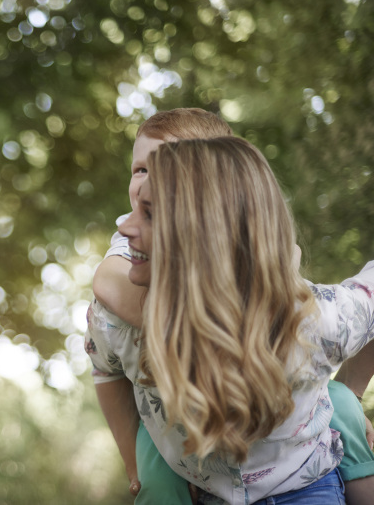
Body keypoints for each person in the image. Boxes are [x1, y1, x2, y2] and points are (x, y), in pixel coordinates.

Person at [90, 109, 374, 504]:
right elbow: (106, 296)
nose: (125, 226)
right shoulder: (119, 312)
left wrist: (350, 390)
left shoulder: (310, 321)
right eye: (141, 170)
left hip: (302, 483)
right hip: (200, 485)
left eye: (153, 212)